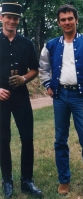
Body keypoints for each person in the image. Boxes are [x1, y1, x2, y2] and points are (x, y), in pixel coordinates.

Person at [39, 4, 83, 197]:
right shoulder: (51, 45)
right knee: (60, 140)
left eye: (70, 18)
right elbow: (43, 66)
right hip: (59, 97)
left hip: (80, 98)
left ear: (76, 20)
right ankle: (64, 181)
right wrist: (47, 84)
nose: (67, 22)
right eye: (63, 19)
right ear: (59, 22)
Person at [0, 2, 42, 198]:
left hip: (21, 97)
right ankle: (7, 180)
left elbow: (35, 69)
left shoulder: (26, 43)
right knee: (3, 139)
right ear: (1, 18)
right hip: (1, 98)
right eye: (8, 17)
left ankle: (27, 180)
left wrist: (24, 78)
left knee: (27, 138)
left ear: (18, 20)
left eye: (15, 18)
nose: (12, 21)